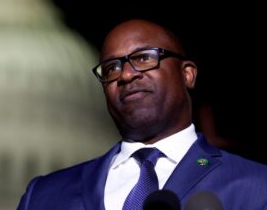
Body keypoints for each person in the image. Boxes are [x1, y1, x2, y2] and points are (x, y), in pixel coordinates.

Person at [17, 19, 267, 209]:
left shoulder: (257, 185)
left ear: (187, 74)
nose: (126, 75)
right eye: (111, 67)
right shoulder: (44, 195)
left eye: (145, 58)